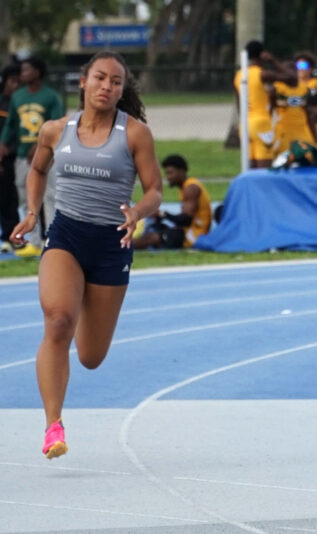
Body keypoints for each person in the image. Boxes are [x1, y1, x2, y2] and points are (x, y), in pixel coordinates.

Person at [9, 51, 162, 459]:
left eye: (115, 81)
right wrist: (31, 212)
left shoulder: (135, 134)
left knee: (92, 356)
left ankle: (80, 306)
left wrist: (137, 213)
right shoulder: (56, 130)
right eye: (100, 78)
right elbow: (38, 170)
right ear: (83, 81)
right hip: (67, 235)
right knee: (58, 321)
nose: (107, 86)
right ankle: (53, 426)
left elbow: (155, 191)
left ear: (121, 89)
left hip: (112, 244)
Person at [0, 56, 64, 256]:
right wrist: (2, 143)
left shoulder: (51, 97)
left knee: (49, 195)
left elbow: (57, 124)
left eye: (27, 70)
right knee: (26, 197)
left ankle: (54, 239)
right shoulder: (18, 97)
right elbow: (11, 125)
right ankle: (34, 241)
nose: (23, 74)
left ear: (37, 72)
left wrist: (40, 145)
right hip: (22, 156)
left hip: (47, 155)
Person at [233, 40, 293, 168]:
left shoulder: (238, 76)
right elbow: (292, 78)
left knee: (249, 168)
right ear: (262, 54)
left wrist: (243, 122)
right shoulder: (262, 74)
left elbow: (239, 103)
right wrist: (272, 61)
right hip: (261, 123)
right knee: (263, 169)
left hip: (245, 124)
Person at [132, 154, 211, 250]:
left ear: (181, 171)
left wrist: (162, 213)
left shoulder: (191, 189)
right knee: (157, 228)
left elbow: (186, 220)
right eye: (166, 174)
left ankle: (121, 246)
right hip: (189, 230)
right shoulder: (187, 186)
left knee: (151, 238)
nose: (168, 177)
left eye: (170, 173)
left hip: (195, 234)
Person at [271, 61, 315, 156]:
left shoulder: (305, 89)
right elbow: (270, 110)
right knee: (282, 159)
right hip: (283, 131)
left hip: (301, 130)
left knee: (307, 157)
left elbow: (310, 115)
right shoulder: (277, 88)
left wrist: (315, 136)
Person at [0, 63, 21, 252]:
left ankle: (10, 235)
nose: (16, 86)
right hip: (3, 155)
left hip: (15, 156)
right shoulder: (2, 103)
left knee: (10, 198)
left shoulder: (20, 104)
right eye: (12, 81)